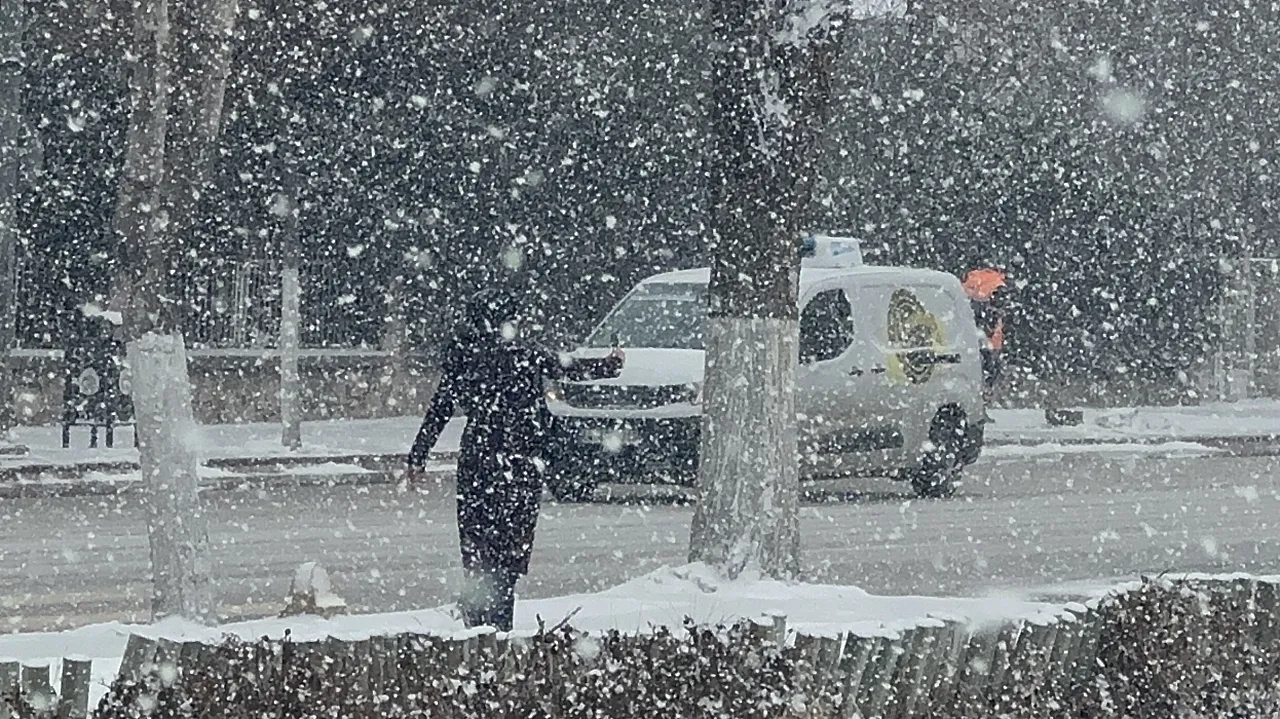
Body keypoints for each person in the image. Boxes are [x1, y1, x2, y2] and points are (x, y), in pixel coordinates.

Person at [404, 288, 624, 631]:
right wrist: (610, 364)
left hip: (478, 458)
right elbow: (568, 368)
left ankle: (477, 623)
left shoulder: (463, 355)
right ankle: (499, 625)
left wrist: (418, 456)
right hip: (519, 462)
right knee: (507, 556)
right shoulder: (525, 354)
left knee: (477, 551)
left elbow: (440, 408)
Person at [961, 265, 1009, 400]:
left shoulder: (973, 278)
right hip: (989, 340)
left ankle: (977, 396)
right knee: (991, 368)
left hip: (972, 335)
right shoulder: (997, 283)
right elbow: (994, 314)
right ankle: (984, 394)